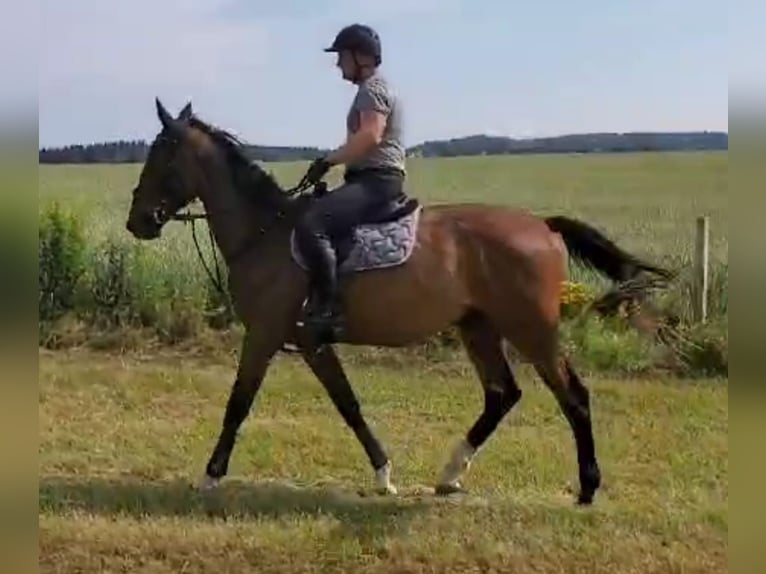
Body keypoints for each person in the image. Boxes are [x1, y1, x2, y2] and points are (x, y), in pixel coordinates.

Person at [294, 23, 408, 340]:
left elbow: (370, 135)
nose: (338, 63)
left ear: (361, 57)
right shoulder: (369, 89)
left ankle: (328, 312)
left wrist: (328, 160)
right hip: (370, 179)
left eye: (341, 56)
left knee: (311, 222)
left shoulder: (373, 89)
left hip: (377, 181)